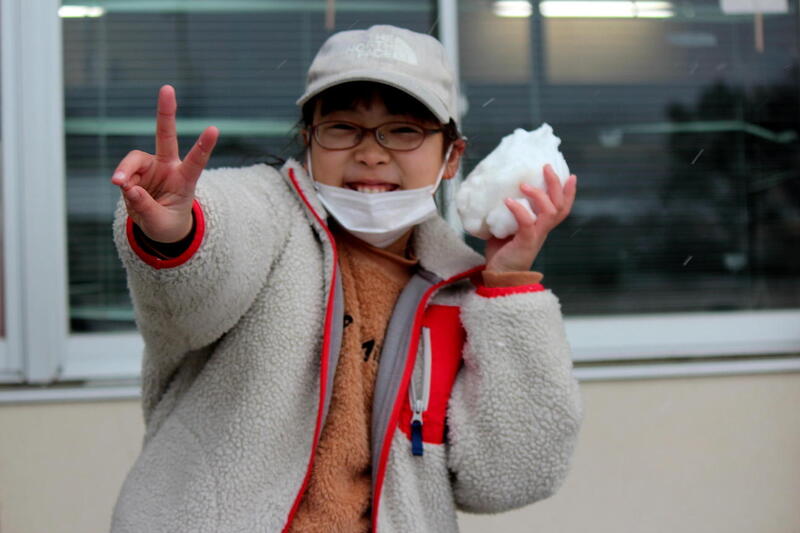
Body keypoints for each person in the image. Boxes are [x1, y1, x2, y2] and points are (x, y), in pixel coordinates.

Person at [109, 24, 582, 533]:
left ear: (452, 157)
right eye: (341, 127)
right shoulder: (270, 215)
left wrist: (507, 284)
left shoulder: (459, 291)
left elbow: (510, 478)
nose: (371, 152)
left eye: (404, 130)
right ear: (308, 140)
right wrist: (177, 230)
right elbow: (209, 262)